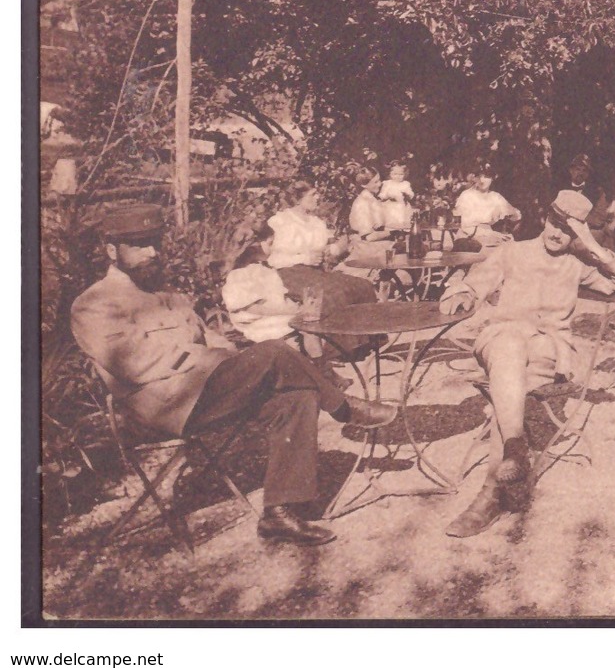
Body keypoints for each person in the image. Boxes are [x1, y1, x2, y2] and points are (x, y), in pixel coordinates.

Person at [71, 204, 396, 547]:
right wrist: (216, 360)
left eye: (154, 242)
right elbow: (136, 364)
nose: (152, 252)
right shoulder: (95, 304)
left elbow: (210, 337)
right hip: (165, 405)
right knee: (274, 350)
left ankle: (279, 514)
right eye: (138, 245)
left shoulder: (166, 293)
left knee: (296, 397)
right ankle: (344, 407)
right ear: (112, 251)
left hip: (206, 390)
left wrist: (228, 359)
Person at [436, 190, 615, 537]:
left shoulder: (578, 264)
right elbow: (472, 285)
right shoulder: (511, 252)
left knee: (511, 375)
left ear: (578, 233)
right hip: (500, 340)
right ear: (544, 218)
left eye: (568, 229)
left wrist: (593, 246)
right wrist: (462, 294)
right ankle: (510, 454)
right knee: (510, 345)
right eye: (555, 223)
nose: (558, 234)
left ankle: (496, 484)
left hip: (546, 352)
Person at [263, 181, 377, 357]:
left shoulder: (317, 222)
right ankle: (340, 350)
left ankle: (367, 341)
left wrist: (337, 248)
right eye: (313, 194)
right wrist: (303, 258)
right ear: (298, 198)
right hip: (286, 272)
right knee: (333, 293)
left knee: (362, 285)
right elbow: (272, 258)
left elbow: (329, 249)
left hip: (313, 272)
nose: (318, 197)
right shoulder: (280, 221)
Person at [454, 167, 521, 248]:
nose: (482, 180)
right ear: (474, 178)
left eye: (486, 177)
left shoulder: (496, 197)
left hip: (489, 237)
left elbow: (516, 215)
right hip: (468, 238)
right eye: (479, 177)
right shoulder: (467, 195)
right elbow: (467, 227)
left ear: (493, 178)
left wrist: (511, 217)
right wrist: (492, 234)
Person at [377, 162, 416, 234]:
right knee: (390, 223)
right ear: (390, 174)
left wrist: (408, 195)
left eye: (401, 174)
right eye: (395, 174)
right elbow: (382, 194)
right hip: (390, 206)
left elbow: (411, 194)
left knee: (402, 222)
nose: (398, 176)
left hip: (402, 206)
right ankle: (391, 235)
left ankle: (402, 235)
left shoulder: (405, 184)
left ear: (405, 174)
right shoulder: (387, 183)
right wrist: (385, 197)